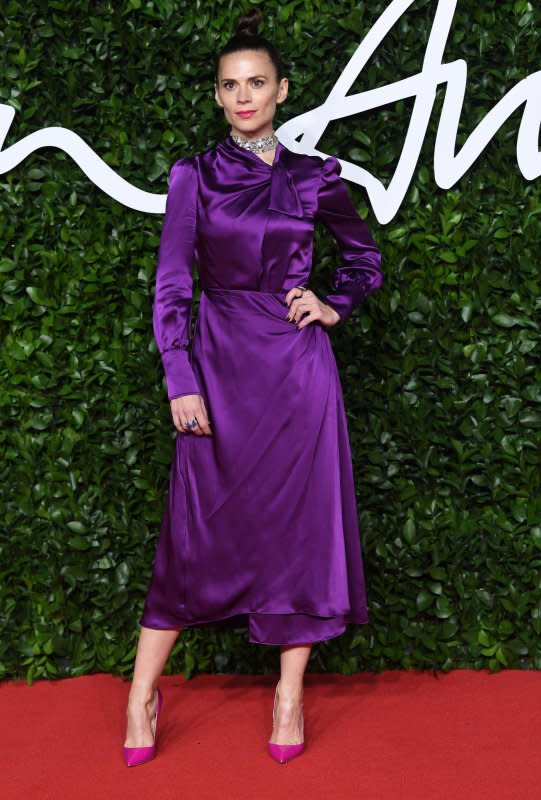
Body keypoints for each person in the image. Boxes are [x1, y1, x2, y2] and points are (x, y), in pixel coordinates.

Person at [123, 6, 383, 767]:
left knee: (300, 533)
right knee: (191, 533)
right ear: (217, 96)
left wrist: (334, 303)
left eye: (257, 83)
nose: (244, 97)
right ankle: (142, 694)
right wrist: (181, 378)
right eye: (230, 85)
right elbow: (172, 288)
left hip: (299, 376)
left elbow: (364, 257)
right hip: (219, 370)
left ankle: (289, 695)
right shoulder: (192, 177)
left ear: (282, 92)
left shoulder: (314, 178)